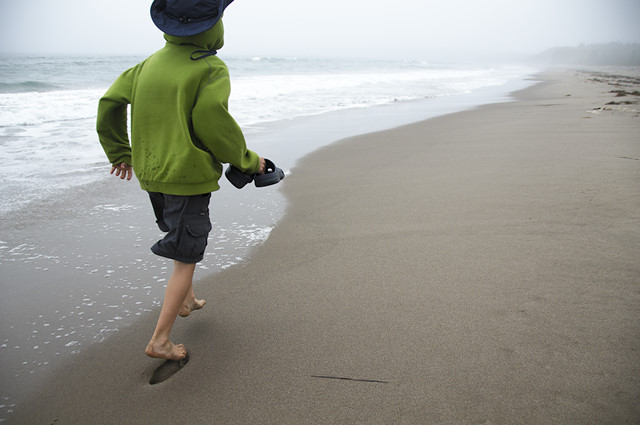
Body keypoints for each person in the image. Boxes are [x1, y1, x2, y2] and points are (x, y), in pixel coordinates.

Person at [96, 0, 265, 361]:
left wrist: (119, 152)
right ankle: (160, 340)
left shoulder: (145, 66)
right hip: (186, 177)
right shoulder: (209, 67)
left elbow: (109, 103)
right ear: (212, 28)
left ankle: (187, 299)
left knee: (179, 235)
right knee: (187, 252)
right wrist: (248, 161)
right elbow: (212, 121)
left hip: (152, 174)